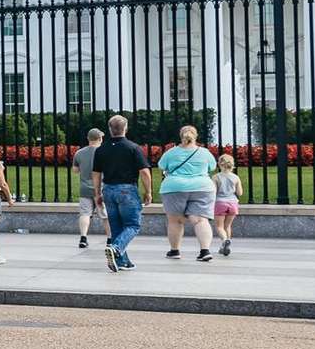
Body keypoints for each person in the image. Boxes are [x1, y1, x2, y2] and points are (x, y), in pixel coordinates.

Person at [91, 115, 153, 272]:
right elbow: (145, 172)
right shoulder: (133, 147)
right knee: (132, 224)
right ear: (125, 128)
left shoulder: (101, 149)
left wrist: (98, 193)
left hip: (109, 189)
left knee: (116, 227)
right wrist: (149, 192)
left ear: (110, 129)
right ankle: (117, 248)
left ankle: (123, 262)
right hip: (127, 189)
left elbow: (96, 174)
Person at [157, 125, 218, 262]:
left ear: (181, 136)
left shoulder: (171, 152)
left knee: (175, 220)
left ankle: (174, 251)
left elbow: (161, 166)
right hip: (202, 187)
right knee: (201, 220)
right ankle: (205, 251)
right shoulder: (204, 152)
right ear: (195, 136)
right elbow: (212, 167)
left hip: (174, 188)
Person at [72, 128, 106, 248]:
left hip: (84, 189)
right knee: (105, 215)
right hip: (101, 189)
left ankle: (83, 238)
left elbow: (75, 170)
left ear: (88, 138)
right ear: (100, 138)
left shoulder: (79, 153)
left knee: (85, 214)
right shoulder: (104, 152)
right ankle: (110, 239)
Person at [212, 153, 241, 256]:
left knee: (219, 226)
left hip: (220, 203)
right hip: (233, 203)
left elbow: (213, 192)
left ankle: (224, 240)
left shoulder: (216, 177)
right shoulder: (236, 177)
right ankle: (227, 243)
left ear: (219, 164)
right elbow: (240, 193)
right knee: (227, 226)